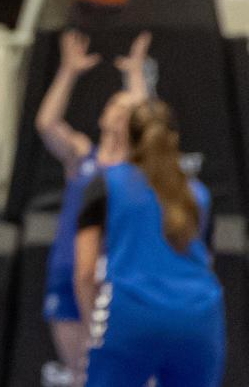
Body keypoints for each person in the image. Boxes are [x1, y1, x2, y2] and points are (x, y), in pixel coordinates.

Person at [75, 100, 225, 387]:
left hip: (131, 313)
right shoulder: (199, 193)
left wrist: (91, 330)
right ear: (176, 138)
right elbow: (207, 260)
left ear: (127, 138)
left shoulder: (106, 184)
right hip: (200, 318)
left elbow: (84, 272)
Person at [35, 30, 152, 386]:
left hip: (112, 276)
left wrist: (135, 76)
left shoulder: (138, 166)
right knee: (81, 374)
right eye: (113, 105)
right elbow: (47, 124)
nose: (117, 110)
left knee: (121, 371)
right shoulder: (82, 154)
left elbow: (146, 114)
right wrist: (68, 72)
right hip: (69, 269)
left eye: (125, 108)